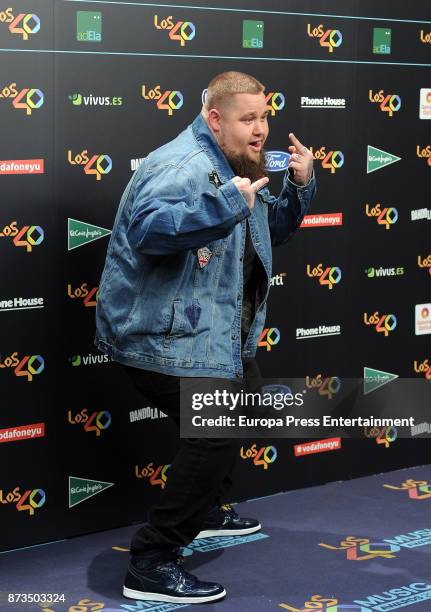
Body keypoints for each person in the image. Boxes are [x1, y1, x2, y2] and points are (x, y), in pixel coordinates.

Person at [95, 71, 316, 604]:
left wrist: (302, 185)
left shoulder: (243, 163)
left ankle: (209, 510)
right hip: (159, 336)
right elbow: (148, 232)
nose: (261, 129)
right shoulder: (182, 165)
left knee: (244, 408)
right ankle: (150, 561)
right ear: (214, 119)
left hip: (218, 335)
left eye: (265, 116)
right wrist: (225, 205)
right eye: (248, 119)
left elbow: (272, 231)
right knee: (218, 427)